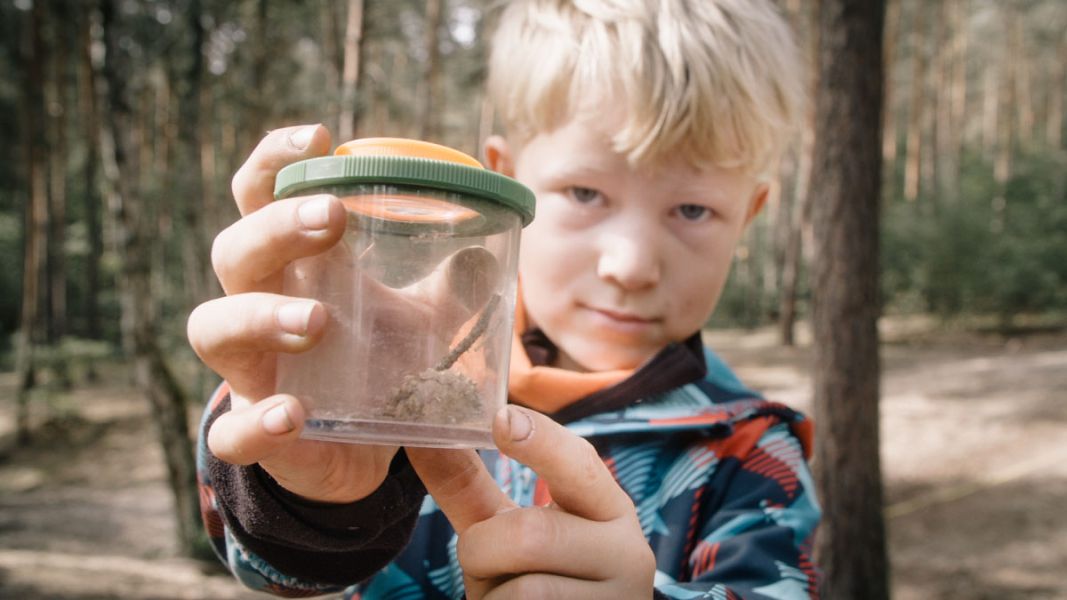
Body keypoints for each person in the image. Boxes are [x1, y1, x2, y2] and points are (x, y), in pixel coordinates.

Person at [187, 0, 820, 597]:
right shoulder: (392, 373)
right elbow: (264, 572)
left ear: (750, 214)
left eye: (693, 209)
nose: (630, 266)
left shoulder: (752, 452)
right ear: (508, 179)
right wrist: (317, 502)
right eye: (585, 193)